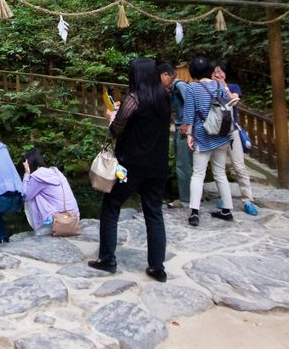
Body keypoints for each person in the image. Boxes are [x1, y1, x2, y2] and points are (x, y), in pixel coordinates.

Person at [89, 57, 171, 282]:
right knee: (154, 214)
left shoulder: (133, 99)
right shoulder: (164, 98)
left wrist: (110, 116)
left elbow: (117, 130)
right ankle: (157, 267)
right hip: (158, 166)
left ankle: (107, 259)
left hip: (131, 166)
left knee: (111, 206)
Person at [182, 54, 236, 226]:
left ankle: (194, 212)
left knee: (198, 174)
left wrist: (189, 135)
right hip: (221, 135)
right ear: (209, 70)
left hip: (202, 136)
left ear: (192, 72)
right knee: (220, 173)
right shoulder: (219, 86)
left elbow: (189, 114)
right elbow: (227, 105)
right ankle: (227, 210)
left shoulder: (192, 89)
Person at [213, 60, 259, 216]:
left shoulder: (232, 87)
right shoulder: (209, 89)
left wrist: (223, 86)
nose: (218, 75)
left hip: (232, 133)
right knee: (218, 168)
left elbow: (234, 99)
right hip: (215, 134)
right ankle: (224, 198)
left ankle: (247, 200)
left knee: (239, 166)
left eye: (221, 72)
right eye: (215, 72)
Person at [157, 61, 195, 206]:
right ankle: (188, 196)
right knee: (182, 163)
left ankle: (186, 199)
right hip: (181, 129)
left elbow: (191, 104)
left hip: (185, 131)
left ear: (166, 75)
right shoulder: (173, 88)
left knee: (183, 165)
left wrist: (186, 124)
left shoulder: (179, 86)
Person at [21, 148, 79, 235]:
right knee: (36, 191)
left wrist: (27, 174)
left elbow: (25, 196)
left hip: (58, 221)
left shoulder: (38, 176)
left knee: (31, 195)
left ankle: (40, 230)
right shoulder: (55, 172)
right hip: (73, 218)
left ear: (29, 163)